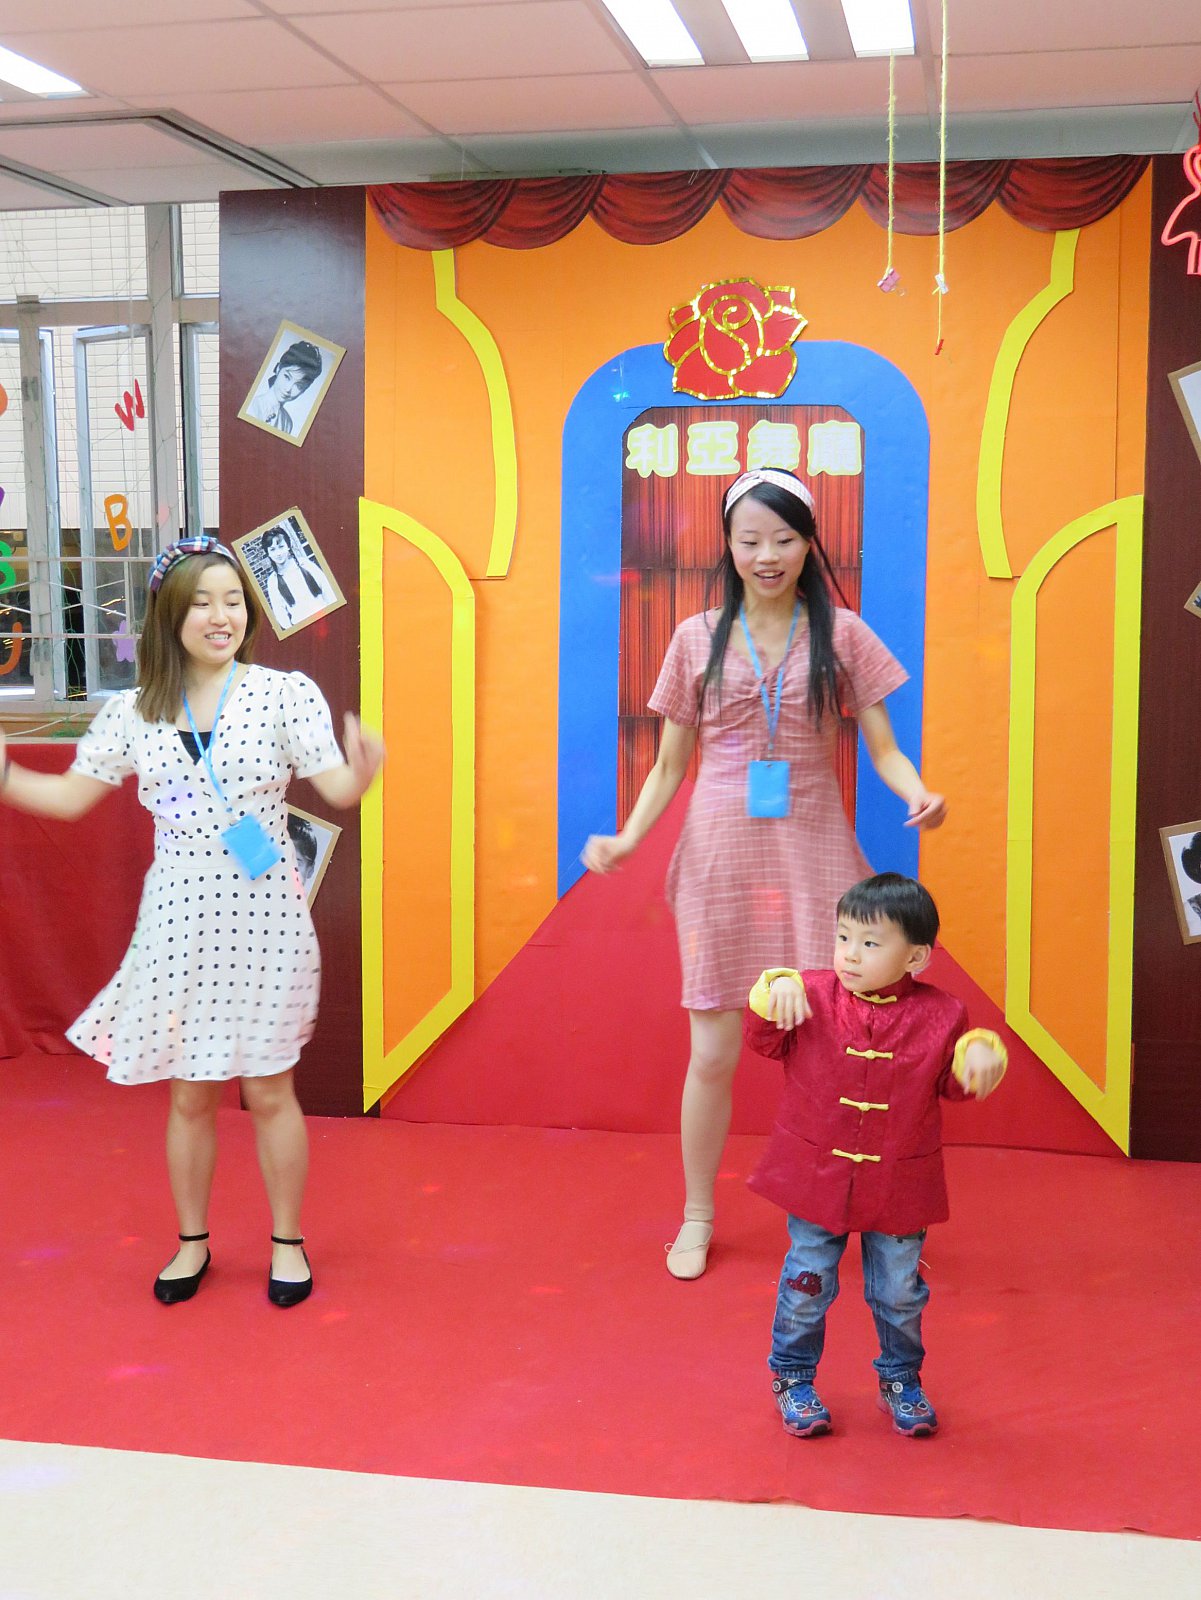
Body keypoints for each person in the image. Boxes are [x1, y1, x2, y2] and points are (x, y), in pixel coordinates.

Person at [0, 535, 384, 1308]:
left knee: (269, 1090)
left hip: (266, 920)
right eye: (203, 602)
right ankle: (191, 1242)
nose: (221, 616)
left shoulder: (283, 693)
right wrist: (6, 774)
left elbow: (337, 789)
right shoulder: (134, 710)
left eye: (233, 600)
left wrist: (365, 768)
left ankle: (287, 1242)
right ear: (169, 616)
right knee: (189, 1095)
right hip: (178, 922)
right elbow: (70, 799)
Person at [582, 467, 946, 1280]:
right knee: (713, 1050)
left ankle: (846, 1210)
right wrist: (629, 837)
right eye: (749, 540)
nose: (766, 555)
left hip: (813, 845)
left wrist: (917, 792)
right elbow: (669, 764)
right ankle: (696, 1214)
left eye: (783, 538)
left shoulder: (842, 634)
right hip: (720, 851)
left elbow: (884, 747)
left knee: (839, 1050)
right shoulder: (695, 636)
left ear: (809, 542)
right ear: (727, 544)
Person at [744, 873, 1006, 1439]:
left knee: (899, 1293)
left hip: (898, 1180)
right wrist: (772, 990)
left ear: (916, 956)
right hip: (818, 1174)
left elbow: (952, 1085)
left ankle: (901, 1379)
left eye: (869, 942)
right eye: (843, 938)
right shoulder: (809, 994)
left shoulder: (943, 1014)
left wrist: (977, 1057)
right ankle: (792, 1375)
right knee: (807, 1282)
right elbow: (764, 1040)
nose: (850, 954)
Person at [261, 522, 335, 632]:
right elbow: (280, 613)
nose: (278, 553)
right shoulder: (273, 581)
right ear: (268, 553)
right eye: (272, 549)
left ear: (288, 546)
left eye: (281, 547)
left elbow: (328, 590)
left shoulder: (305, 564)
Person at [244, 339, 323, 436]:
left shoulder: (287, 423)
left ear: (304, 390)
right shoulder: (252, 405)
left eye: (298, 386)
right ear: (278, 369)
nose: (288, 389)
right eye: (287, 377)